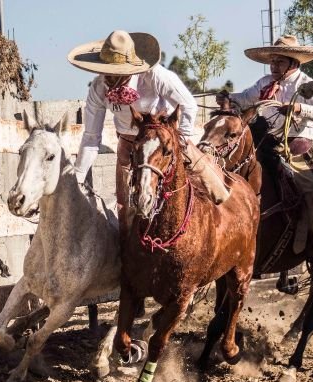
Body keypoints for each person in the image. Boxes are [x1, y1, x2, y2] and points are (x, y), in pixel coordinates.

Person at [67, 30, 230, 239]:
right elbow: (91, 137)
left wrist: (179, 139)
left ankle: (225, 218)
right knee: (125, 205)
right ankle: (128, 253)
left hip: (164, 138)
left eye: (116, 71)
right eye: (106, 71)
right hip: (129, 143)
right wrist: (78, 176)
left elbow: (188, 104)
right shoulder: (99, 88)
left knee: (209, 181)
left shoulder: (155, 76)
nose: (109, 77)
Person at [216, 35, 313, 258]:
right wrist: (228, 98)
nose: (274, 65)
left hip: (295, 147)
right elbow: (245, 98)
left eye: (279, 61)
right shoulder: (264, 83)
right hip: (264, 144)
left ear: (293, 63)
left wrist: (299, 108)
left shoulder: (306, 84)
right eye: (273, 61)